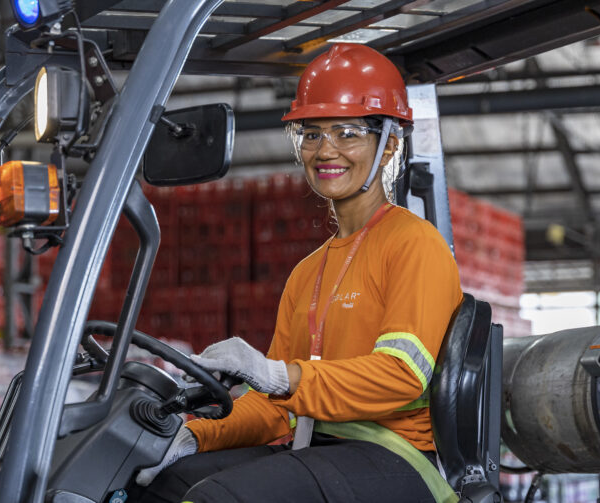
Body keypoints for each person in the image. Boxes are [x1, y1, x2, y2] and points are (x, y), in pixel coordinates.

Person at [127, 43, 463, 503]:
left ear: (388, 146)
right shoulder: (308, 272)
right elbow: (274, 409)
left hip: (397, 454)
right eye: (311, 134)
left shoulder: (414, 244)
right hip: (317, 445)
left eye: (348, 132)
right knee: (164, 486)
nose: (326, 150)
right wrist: (194, 436)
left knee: (218, 499)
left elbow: (400, 374)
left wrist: (281, 375)